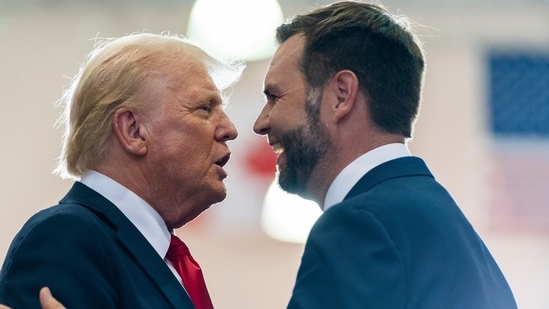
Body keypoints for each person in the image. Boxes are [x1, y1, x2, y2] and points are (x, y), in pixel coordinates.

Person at [252, 1, 517, 308]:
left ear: (341, 95)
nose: (261, 123)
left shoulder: (359, 226)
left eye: (275, 97)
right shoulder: (441, 223)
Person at [0, 32, 244, 308]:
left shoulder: (156, 255)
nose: (229, 129)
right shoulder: (66, 238)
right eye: (204, 108)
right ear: (134, 131)